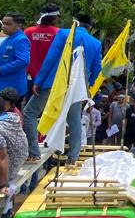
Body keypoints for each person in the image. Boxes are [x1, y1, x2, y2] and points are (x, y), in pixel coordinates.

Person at [26, 15, 103, 162]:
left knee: (29, 113)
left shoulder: (63, 33)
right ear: (90, 28)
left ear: (75, 22)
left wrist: (39, 80)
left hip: (54, 83)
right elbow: (97, 68)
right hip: (77, 88)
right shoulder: (96, 43)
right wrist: (88, 86)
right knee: (74, 120)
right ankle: (72, 158)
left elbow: (51, 57)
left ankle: (34, 153)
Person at [0, 13, 30, 100]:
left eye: (8, 24)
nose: (3, 26)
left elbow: (23, 61)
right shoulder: (7, 38)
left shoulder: (21, 39)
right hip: (0, 86)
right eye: (3, 23)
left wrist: (1, 70)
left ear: (19, 25)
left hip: (11, 89)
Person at [24, 5, 61, 94]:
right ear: (54, 18)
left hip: (30, 76)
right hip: (50, 77)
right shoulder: (59, 33)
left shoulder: (28, 31)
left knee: (29, 106)